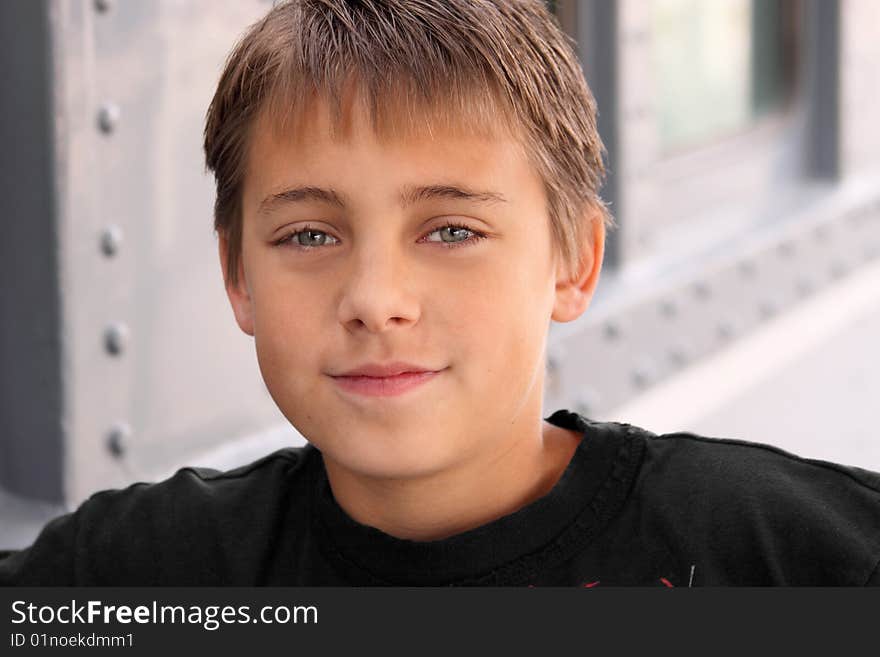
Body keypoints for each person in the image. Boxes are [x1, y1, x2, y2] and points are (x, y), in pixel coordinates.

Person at [2, 0, 878, 586]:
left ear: (573, 263)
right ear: (239, 278)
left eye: (451, 230)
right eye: (310, 235)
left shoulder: (771, 550)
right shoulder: (143, 571)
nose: (376, 299)